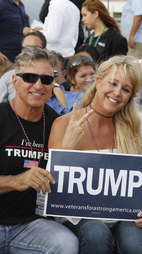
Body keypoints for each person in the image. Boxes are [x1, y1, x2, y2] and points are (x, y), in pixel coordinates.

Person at [48, 55, 142, 254]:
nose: (117, 93)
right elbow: (52, 185)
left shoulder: (132, 128)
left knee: (135, 244)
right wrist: (70, 144)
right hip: (79, 216)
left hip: (123, 214)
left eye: (125, 89)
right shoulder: (65, 123)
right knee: (96, 232)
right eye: (112, 83)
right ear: (98, 82)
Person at [0, 46, 78, 254]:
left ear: (53, 84)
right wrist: (17, 181)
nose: (38, 85)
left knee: (66, 244)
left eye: (45, 79)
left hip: (30, 225)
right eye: (29, 77)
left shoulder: (57, 123)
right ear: (15, 81)